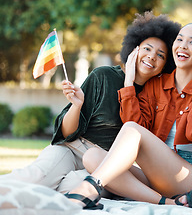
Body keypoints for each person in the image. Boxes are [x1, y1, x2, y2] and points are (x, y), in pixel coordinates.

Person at [0, 12, 181, 194]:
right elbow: (65, 133)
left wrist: (129, 86)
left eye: (160, 55)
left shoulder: (155, 97)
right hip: (71, 148)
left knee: (71, 188)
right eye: (147, 49)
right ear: (134, 49)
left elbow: (135, 130)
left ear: (165, 65)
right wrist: (77, 106)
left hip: (103, 163)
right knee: (37, 178)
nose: (151, 57)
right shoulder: (103, 76)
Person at [65, 23, 192, 210]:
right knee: (92, 156)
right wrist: (128, 81)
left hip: (190, 179)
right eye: (180, 39)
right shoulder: (156, 85)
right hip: (156, 175)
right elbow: (136, 127)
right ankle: (166, 202)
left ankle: (90, 186)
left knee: (128, 131)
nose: (183, 46)